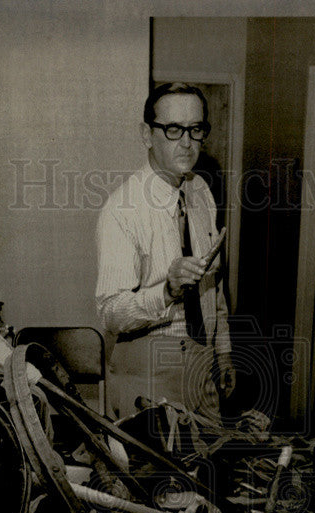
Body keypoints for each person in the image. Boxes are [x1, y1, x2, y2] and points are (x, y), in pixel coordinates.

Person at [96, 82, 236, 421]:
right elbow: (109, 313)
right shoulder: (121, 209)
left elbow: (212, 284)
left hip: (203, 368)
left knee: (210, 467)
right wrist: (167, 291)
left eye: (196, 129)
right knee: (157, 474)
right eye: (173, 129)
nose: (187, 143)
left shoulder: (200, 190)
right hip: (148, 376)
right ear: (147, 134)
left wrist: (223, 352)